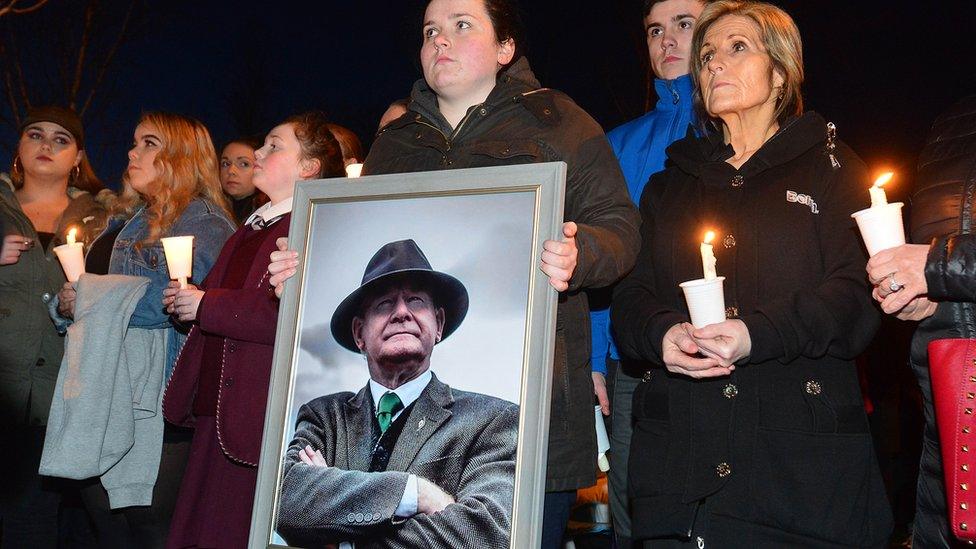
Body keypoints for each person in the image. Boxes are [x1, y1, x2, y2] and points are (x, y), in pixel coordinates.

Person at [268, 2, 640, 547]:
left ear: (505, 48)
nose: (441, 40)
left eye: (462, 25)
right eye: (430, 32)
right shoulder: (394, 145)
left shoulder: (561, 123)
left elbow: (621, 229)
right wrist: (302, 266)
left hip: (545, 401)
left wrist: (581, 255)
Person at [611, 1, 893, 545]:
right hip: (680, 477)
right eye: (709, 54)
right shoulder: (670, 185)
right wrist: (662, 335)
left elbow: (856, 296)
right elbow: (630, 297)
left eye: (738, 48)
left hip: (797, 481)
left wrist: (754, 333)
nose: (715, 63)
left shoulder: (831, 169)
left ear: (781, 70)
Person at [49, 112, 236, 548]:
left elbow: (169, 302)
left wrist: (92, 298)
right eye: (135, 142)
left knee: (150, 523)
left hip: (157, 394)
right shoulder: (125, 220)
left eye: (149, 143)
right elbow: (85, 295)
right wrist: (65, 304)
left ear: (181, 157)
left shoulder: (204, 222)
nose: (132, 152)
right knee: (105, 519)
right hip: (103, 383)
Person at [160, 111, 344, 548]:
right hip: (220, 406)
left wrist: (206, 303)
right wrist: (189, 297)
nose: (257, 154)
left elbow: (288, 314)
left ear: (309, 167)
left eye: (274, 146)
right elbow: (228, 293)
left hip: (254, 411)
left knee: (231, 528)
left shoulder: (310, 227)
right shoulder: (253, 225)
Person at [276, 239, 518, 548]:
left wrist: (338, 524)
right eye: (384, 303)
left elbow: (484, 537)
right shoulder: (324, 418)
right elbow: (284, 502)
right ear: (359, 334)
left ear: (438, 324)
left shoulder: (493, 420)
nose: (402, 312)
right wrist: (415, 493)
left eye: (416, 300)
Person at [591, 2, 706, 546]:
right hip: (634, 358)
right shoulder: (617, 143)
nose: (666, 39)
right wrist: (594, 359)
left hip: (727, 346)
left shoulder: (739, 129)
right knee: (637, 505)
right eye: (655, 29)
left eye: (683, 23)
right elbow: (596, 256)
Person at [866, 95, 976, 546]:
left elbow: (943, 258)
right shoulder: (951, 122)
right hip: (951, 420)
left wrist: (936, 265)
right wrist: (927, 301)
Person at [0, 105, 108, 548]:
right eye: (35, 135)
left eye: (60, 139)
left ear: (78, 156)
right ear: (19, 149)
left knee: (33, 524)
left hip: (59, 398)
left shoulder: (102, 221)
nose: (46, 145)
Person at [219, 136, 268, 225]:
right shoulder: (211, 209)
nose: (231, 171)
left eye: (244, 164)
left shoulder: (267, 214)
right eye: (225, 164)